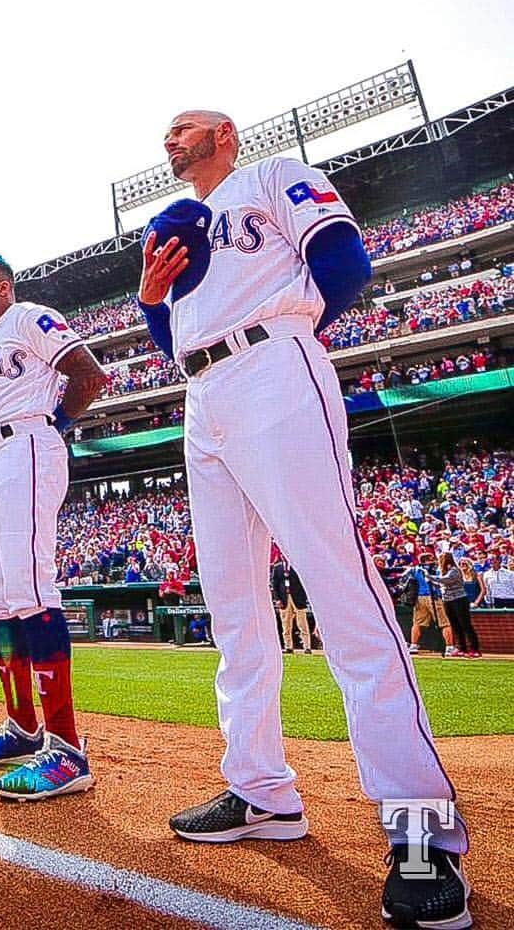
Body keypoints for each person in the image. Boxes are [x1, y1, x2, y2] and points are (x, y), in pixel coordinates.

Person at [136, 109, 470, 928]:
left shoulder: (269, 176)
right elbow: (176, 336)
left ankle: (421, 829)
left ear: (224, 133)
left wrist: (288, 332)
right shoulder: (171, 230)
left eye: (184, 128)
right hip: (201, 395)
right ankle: (262, 792)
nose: (168, 140)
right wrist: (149, 301)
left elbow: (345, 262)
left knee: (342, 595)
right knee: (235, 612)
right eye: (165, 133)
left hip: (275, 369)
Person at [0, 251, 106, 801]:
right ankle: (22, 728)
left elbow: (89, 375)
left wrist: (52, 423)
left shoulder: (29, 316)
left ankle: (66, 749)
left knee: (33, 590)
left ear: (4, 288)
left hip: (27, 448)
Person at [429, 553, 481, 658]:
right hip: (447, 600)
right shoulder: (444, 571)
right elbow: (441, 583)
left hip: (459, 599)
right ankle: (462, 648)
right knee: (455, 625)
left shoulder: (454, 570)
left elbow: (446, 580)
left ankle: (475, 649)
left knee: (465, 624)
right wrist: (433, 580)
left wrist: (429, 577)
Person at [270, 556, 312, 654]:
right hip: (284, 599)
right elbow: (274, 585)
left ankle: (307, 646)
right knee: (286, 624)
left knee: (302, 623)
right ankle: (288, 646)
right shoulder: (278, 568)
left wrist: (304, 598)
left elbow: (304, 583)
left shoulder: (297, 566)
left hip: (297, 599)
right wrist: (277, 599)